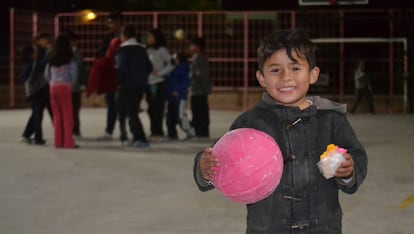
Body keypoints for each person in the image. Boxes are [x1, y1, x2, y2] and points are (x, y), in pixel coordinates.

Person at [193, 29, 368, 233]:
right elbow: (219, 158)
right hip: (268, 228)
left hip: (322, 227)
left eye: (295, 68)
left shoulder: (331, 119)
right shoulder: (250, 122)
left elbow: (357, 157)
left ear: (313, 74)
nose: (286, 77)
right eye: (275, 70)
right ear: (261, 77)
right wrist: (204, 169)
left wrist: (348, 170)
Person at [115, 25, 153, 148]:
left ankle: (140, 137)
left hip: (127, 85)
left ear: (124, 36)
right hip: (140, 85)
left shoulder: (123, 50)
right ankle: (135, 136)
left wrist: (120, 82)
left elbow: (122, 68)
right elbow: (149, 67)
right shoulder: (142, 49)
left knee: (130, 112)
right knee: (133, 110)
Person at [87, 11, 123, 141]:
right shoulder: (109, 37)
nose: (109, 25)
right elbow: (100, 53)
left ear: (119, 22)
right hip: (110, 75)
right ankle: (109, 131)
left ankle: (127, 132)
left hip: (122, 75)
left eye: (111, 23)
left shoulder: (125, 36)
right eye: (108, 23)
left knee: (123, 105)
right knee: (112, 104)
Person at [44, 35, 78, 149]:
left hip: (53, 88)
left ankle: (58, 142)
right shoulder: (69, 58)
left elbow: (46, 75)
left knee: (57, 116)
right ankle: (68, 142)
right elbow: (73, 74)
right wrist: (70, 84)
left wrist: (52, 83)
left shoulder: (51, 58)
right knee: (67, 116)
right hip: (65, 87)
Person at [145, 28, 175, 142]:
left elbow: (172, 64)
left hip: (159, 83)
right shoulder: (147, 50)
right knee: (151, 109)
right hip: (149, 83)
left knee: (158, 108)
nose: (148, 39)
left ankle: (158, 132)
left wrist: (161, 73)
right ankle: (153, 131)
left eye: (150, 37)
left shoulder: (162, 50)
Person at [20, 45, 48, 145]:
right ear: (31, 55)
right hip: (37, 92)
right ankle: (38, 138)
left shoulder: (27, 65)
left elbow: (22, 78)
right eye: (35, 52)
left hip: (31, 93)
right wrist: (49, 52)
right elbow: (44, 63)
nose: (37, 54)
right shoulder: (33, 65)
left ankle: (27, 134)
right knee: (38, 116)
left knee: (35, 115)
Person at [166, 52, 195, 140]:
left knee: (181, 116)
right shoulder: (177, 68)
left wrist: (178, 91)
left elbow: (185, 82)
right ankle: (175, 133)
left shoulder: (183, 68)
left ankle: (191, 132)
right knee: (175, 115)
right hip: (173, 97)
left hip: (179, 97)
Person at [189, 37, 211, 139]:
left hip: (197, 90)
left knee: (197, 111)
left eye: (192, 45)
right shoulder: (203, 57)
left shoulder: (197, 57)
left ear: (198, 47)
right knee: (203, 111)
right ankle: (204, 131)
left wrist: (190, 76)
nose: (190, 47)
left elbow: (199, 74)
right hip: (202, 90)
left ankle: (199, 132)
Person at [66, 31, 87, 139]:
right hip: (68, 86)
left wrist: (83, 83)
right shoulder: (72, 53)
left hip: (74, 86)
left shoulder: (77, 53)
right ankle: (70, 130)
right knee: (70, 110)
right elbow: (80, 69)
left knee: (75, 109)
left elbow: (82, 69)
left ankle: (75, 130)